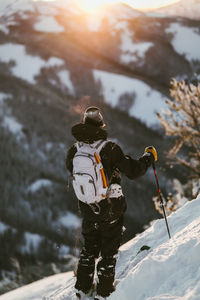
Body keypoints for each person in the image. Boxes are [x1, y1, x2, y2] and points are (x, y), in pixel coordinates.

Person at [66, 106, 157, 300]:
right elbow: (133, 171)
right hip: (111, 207)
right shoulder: (110, 149)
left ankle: (82, 289)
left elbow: (73, 174)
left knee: (89, 247)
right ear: (101, 125)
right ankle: (104, 292)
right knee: (108, 250)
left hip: (88, 208)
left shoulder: (74, 151)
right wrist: (148, 158)